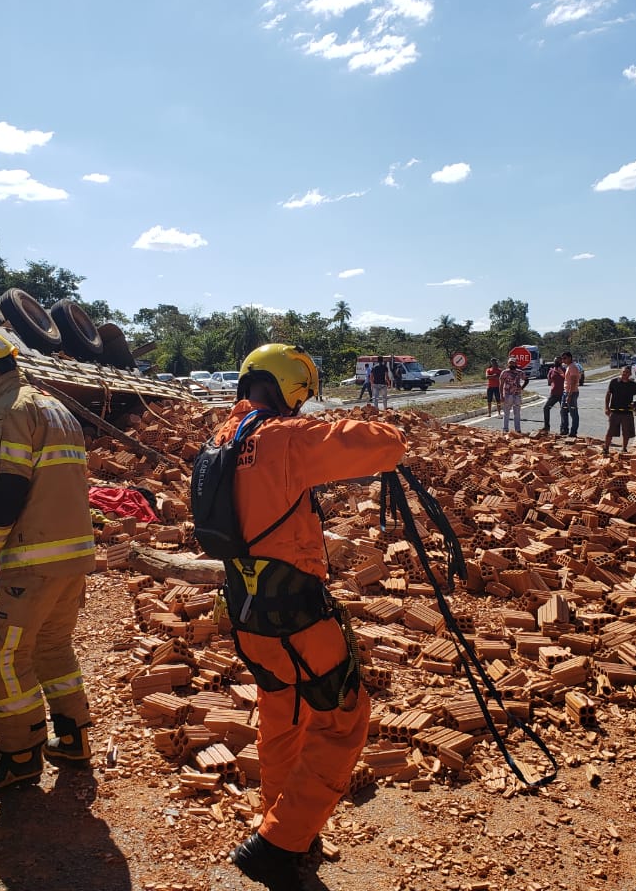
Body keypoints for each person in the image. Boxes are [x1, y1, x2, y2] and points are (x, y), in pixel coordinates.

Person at [211, 343, 406, 890]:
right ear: (293, 391)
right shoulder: (285, 438)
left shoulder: (224, 439)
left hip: (248, 617)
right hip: (296, 615)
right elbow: (384, 446)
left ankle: (281, 822)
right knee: (344, 718)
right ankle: (277, 844)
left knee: (283, 712)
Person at [0, 330, 97, 791]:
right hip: (73, 555)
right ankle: (73, 738)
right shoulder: (56, 408)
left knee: (5, 655)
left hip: (33, 560)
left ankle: (20, 757)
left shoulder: (7, 409)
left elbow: (8, 490)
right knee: (53, 647)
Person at [603, 365, 636, 455]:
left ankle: (624, 448)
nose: (625, 374)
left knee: (626, 432)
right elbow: (608, 394)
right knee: (610, 431)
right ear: (621, 372)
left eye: (627, 373)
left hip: (627, 412)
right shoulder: (614, 382)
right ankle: (606, 448)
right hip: (615, 411)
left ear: (630, 374)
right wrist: (606, 407)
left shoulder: (632, 384)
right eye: (624, 372)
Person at [498, 358, 528, 434]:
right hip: (507, 394)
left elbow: (526, 380)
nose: (512, 364)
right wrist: (501, 395)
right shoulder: (504, 372)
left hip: (517, 394)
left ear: (515, 363)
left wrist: (522, 388)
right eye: (510, 363)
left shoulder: (520, 372)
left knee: (517, 413)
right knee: (506, 413)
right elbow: (501, 385)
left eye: (513, 363)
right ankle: (505, 429)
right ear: (508, 364)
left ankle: (517, 430)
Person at [540, 355, 565, 434]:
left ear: (561, 362)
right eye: (555, 360)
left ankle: (563, 429)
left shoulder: (564, 370)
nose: (556, 362)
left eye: (558, 360)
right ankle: (546, 427)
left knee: (563, 411)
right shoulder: (551, 370)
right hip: (553, 394)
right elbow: (549, 381)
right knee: (546, 408)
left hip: (563, 393)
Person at [559, 352, 581, 437]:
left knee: (573, 413)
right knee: (563, 411)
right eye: (562, 358)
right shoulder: (568, 367)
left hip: (571, 392)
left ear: (570, 358)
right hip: (566, 392)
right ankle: (564, 430)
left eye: (565, 358)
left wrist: (569, 395)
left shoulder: (573, 367)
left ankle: (573, 432)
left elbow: (574, 381)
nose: (563, 360)